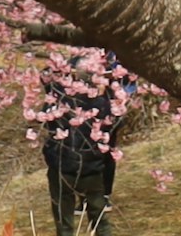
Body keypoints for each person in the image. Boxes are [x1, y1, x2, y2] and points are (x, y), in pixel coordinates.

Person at [32, 47, 133, 236]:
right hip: (92, 167)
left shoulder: (58, 101)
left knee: (64, 223)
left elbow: (45, 116)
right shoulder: (102, 104)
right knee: (99, 219)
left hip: (61, 165)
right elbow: (115, 126)